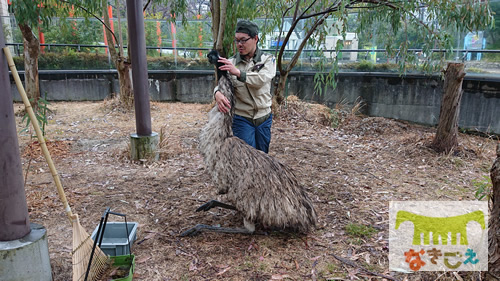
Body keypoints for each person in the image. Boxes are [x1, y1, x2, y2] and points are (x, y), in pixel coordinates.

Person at [213, 20, 276, 153]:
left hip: (263, 118)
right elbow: (222, 84)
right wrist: (217, 93)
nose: (239, 44)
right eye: (237, 41)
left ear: (255, 38)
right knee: (247, 158)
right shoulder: (231, 63)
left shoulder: (268, 59)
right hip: (242, 119)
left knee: (263, 156)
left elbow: (261, 79)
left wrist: (238, 73)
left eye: (243, 40)